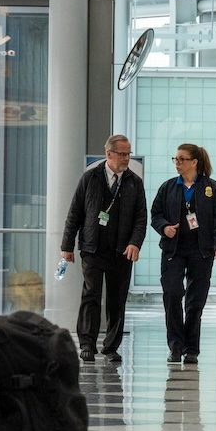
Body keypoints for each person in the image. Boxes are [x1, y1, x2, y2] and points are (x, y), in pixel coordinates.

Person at [60, 134, 147, 363]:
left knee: (117, 300)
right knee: (91, 296)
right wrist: (66, 246)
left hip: (122, 251)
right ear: (109, 154)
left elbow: (141, 218)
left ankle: (111, 347)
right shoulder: (90, 178)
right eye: (122, 154)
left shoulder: (134, 183)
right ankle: (87, 344)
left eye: (128, 154)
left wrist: (135, 243)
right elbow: (75, 213)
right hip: (93, 248)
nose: (127, 158)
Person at [150, 143, 216, 365]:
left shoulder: (211, 188)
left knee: (195, 302)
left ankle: (192, 349)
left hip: (201, 251)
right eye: (175, 159)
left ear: (194, 162)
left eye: (182, 159)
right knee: (173, 294)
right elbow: (155, 214)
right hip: (173, 251)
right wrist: (164, 227)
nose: (177, 163)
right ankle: (175, 346)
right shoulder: (168, 187)